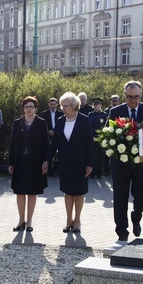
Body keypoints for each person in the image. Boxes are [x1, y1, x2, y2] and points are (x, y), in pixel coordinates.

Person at [108, 81, 143, 242]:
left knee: (142, 194)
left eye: (136, 97)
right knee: (120, 196)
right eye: (130, 97)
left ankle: (136, 216)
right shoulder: (115, 111)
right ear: (124, 96)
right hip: (120, 162)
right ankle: (122, 230)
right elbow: (108, 134)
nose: (133, 100)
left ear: (140, 95)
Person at [42, 92, 94, 234]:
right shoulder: (60, 121)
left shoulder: (84, 120)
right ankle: (68, 219)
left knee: (79, 192)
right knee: (68, 192)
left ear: (74, 106)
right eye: (62, 106)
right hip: (64, 162)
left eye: (65, 106)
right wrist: (47, 159)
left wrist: (90, 163)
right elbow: (55, 143)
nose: (63, 108)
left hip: (81, 163)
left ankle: (77, 220)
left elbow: (90, 143)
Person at [8, 96, 48, 232]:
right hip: (20, 161)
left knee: (32, 192)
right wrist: (11, 162)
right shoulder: (17, 122)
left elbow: (45, 144)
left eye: (31, 106)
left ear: (36, 108)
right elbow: (12, 143)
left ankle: (29, 221)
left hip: (35, 162)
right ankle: (21, 220)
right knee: (20, 192)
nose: (28, 109)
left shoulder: (41, 123)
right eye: (26, 107)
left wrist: (46, 161)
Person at [41, 97, 61, 176]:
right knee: (48, 153)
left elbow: (62, 125)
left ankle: (54, 170)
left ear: (57, 104)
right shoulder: (44, 114)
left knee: (58, 154)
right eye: (51, 104)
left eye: (54, 104)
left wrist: (55, 132)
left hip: (57, 136)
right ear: (48, 105)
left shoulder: (61, 114)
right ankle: (48, 170)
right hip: (47, 136)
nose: (52, 106)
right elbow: (42, 125)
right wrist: (49, 131)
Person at [88, 97, 108, 178]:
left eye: (97, 104)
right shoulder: (90, 115)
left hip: (101, 138)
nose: (95, 106)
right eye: (94, 104)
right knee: (92, 156)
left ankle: (99, 173)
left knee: (100, 156)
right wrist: (90, 137)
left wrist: (103, 137)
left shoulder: (104, 115)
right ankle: (92, 173)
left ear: (100, 105)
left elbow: (106, 127)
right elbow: (88, 127)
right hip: (92, 137)